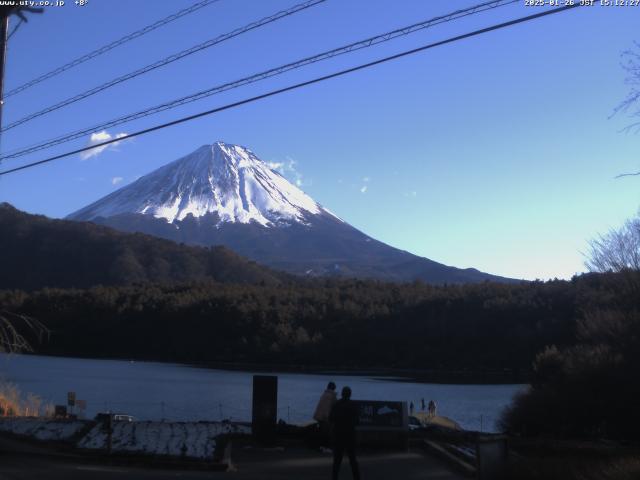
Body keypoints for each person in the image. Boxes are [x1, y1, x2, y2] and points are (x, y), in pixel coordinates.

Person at [330, 386, 360, 480]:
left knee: (337, 460)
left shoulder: (336, 404)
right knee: (352, 459)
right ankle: (356, 478)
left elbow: (330, 418)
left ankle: (334, 478)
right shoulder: (353, 405)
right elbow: (357, 421)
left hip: (338, 435)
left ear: (342, 394)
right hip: (350, 435)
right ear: (350, 394)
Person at [314, 381, 337, 446]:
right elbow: (334, 406)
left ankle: (320, 445)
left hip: (319, 415)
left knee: (322, 431)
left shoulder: (324, 394)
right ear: (333, 388)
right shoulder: (332, 395)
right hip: (325, 417)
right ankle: (324, 445)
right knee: (326, 432)